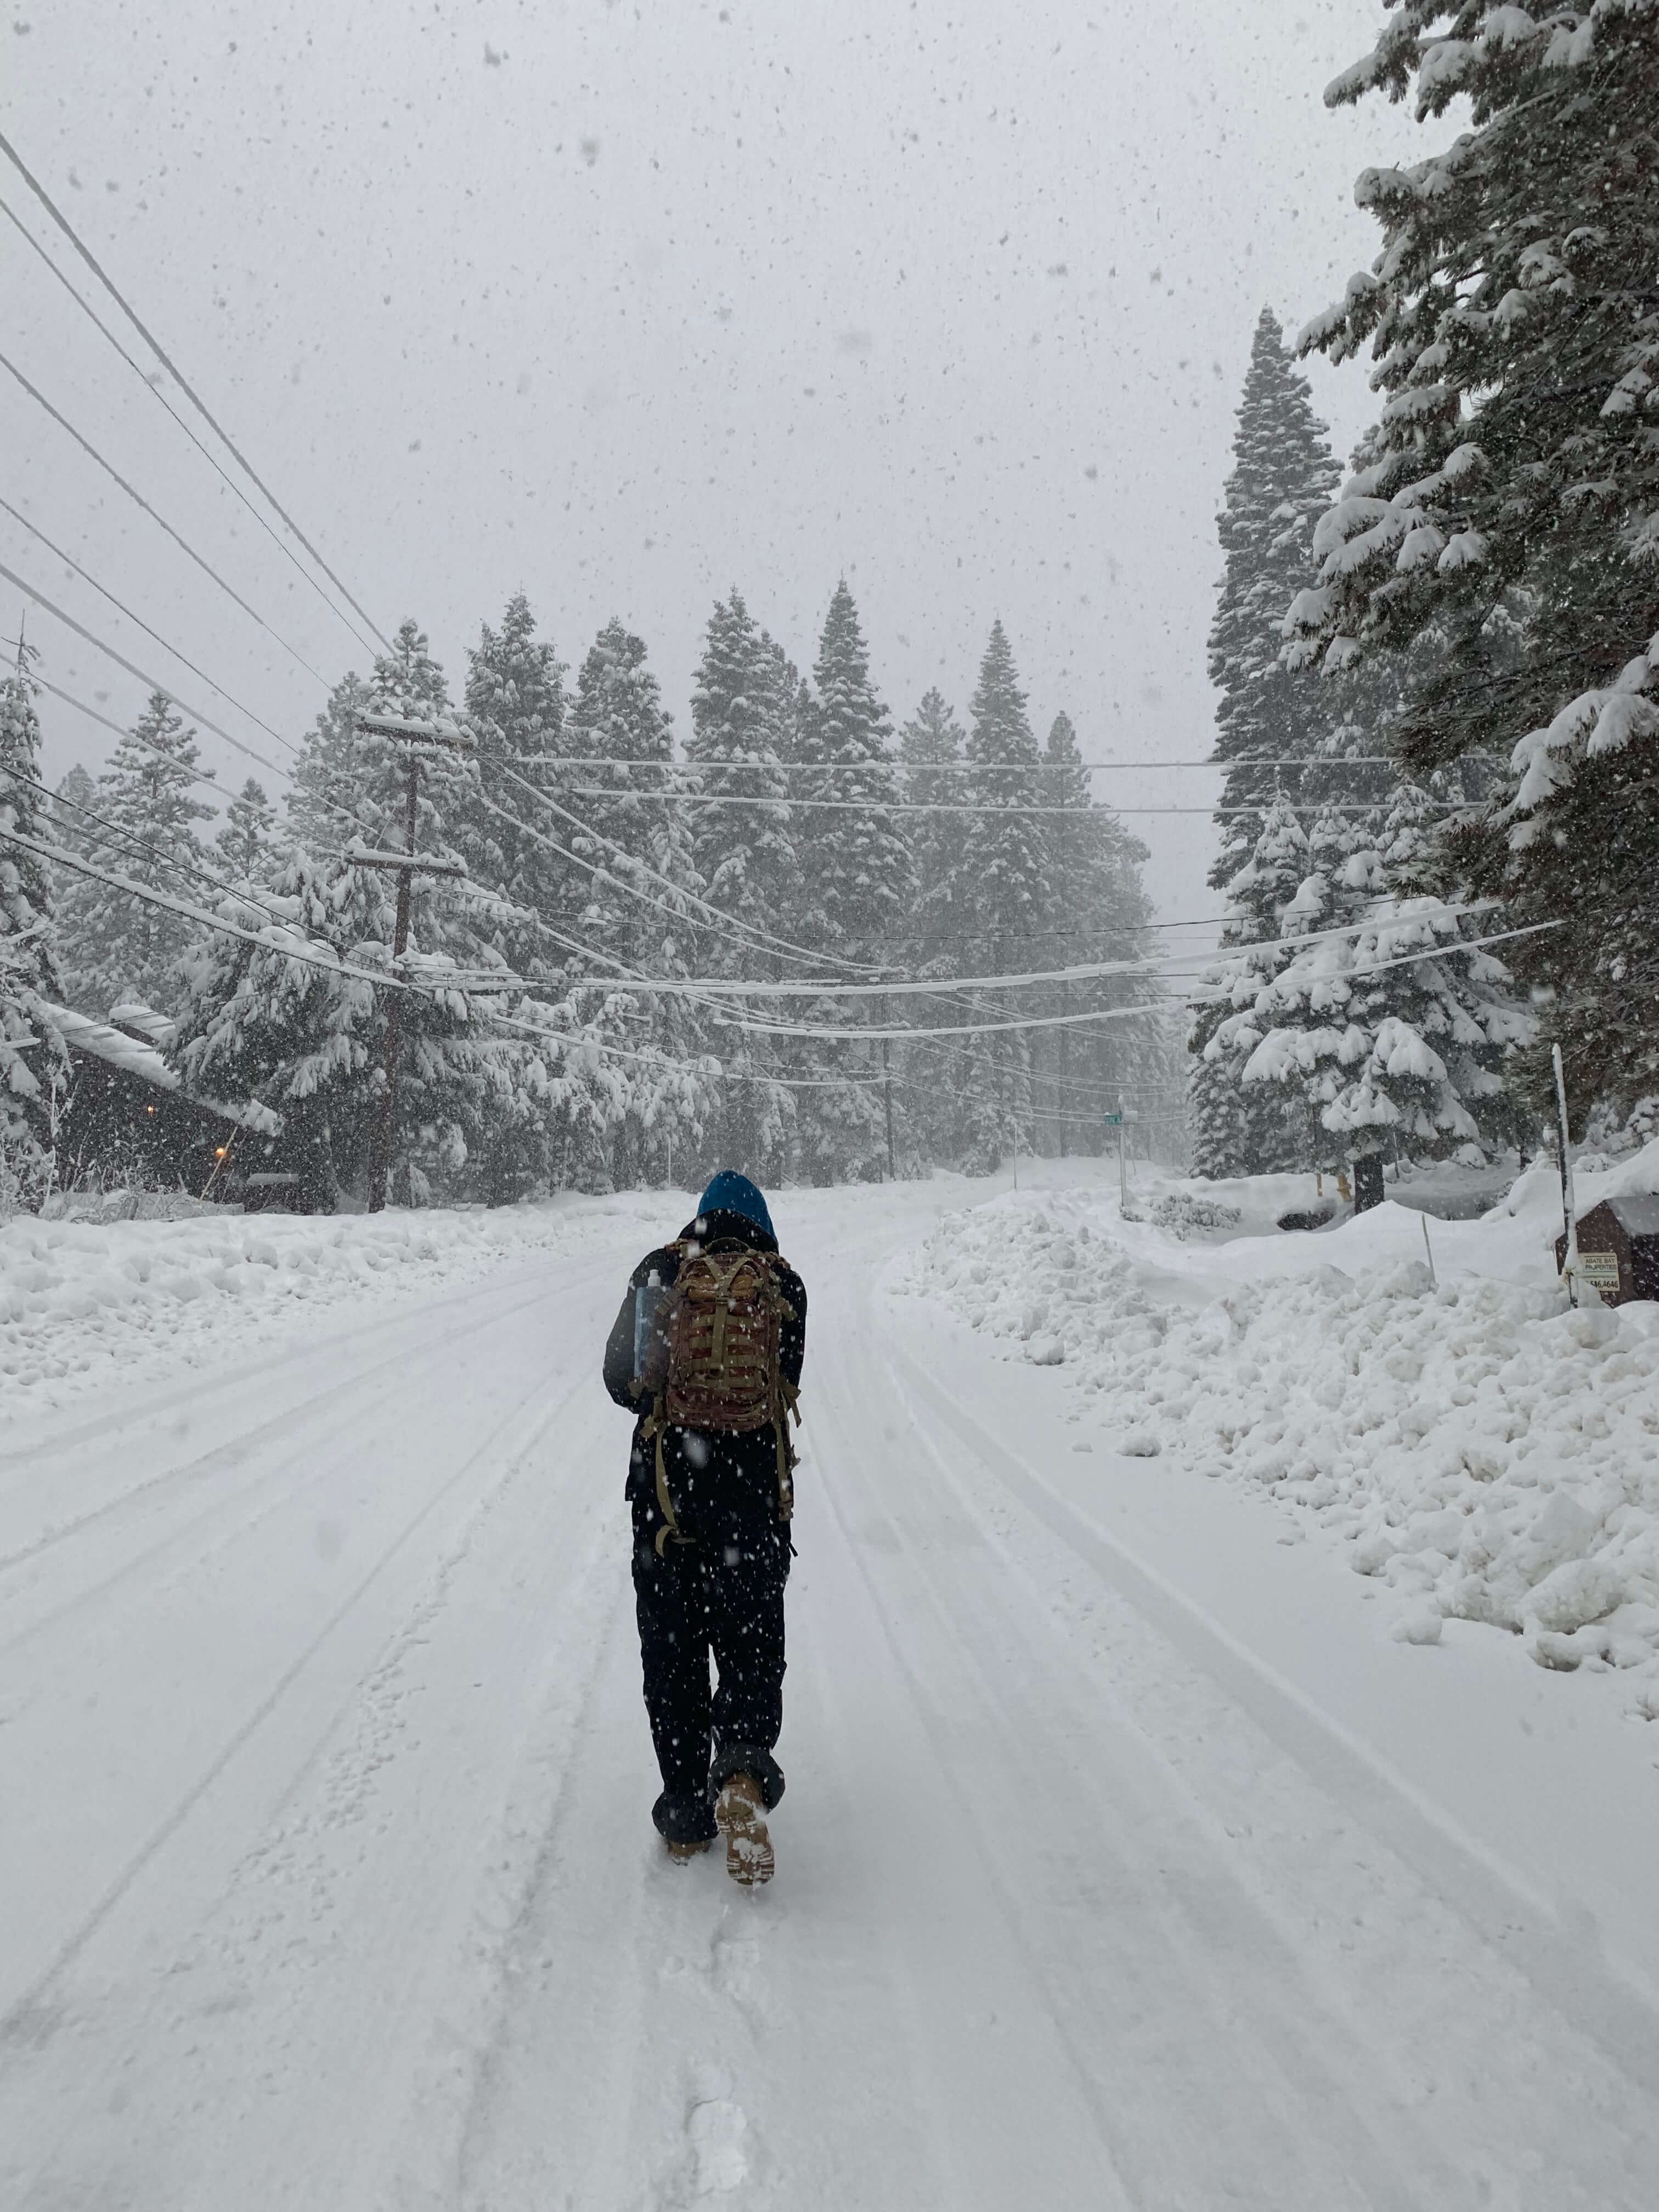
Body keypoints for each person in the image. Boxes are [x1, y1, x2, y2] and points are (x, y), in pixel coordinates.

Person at [603, 1170, 807, 1884]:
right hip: (749, 1509)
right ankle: (744, 1774)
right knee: (750, 1649)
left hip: (667, 1510)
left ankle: (687, 1814)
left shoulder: (661, 1271)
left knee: (673, 1659)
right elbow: (785, 1378)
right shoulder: (784, 1284)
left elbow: (618, 1379)